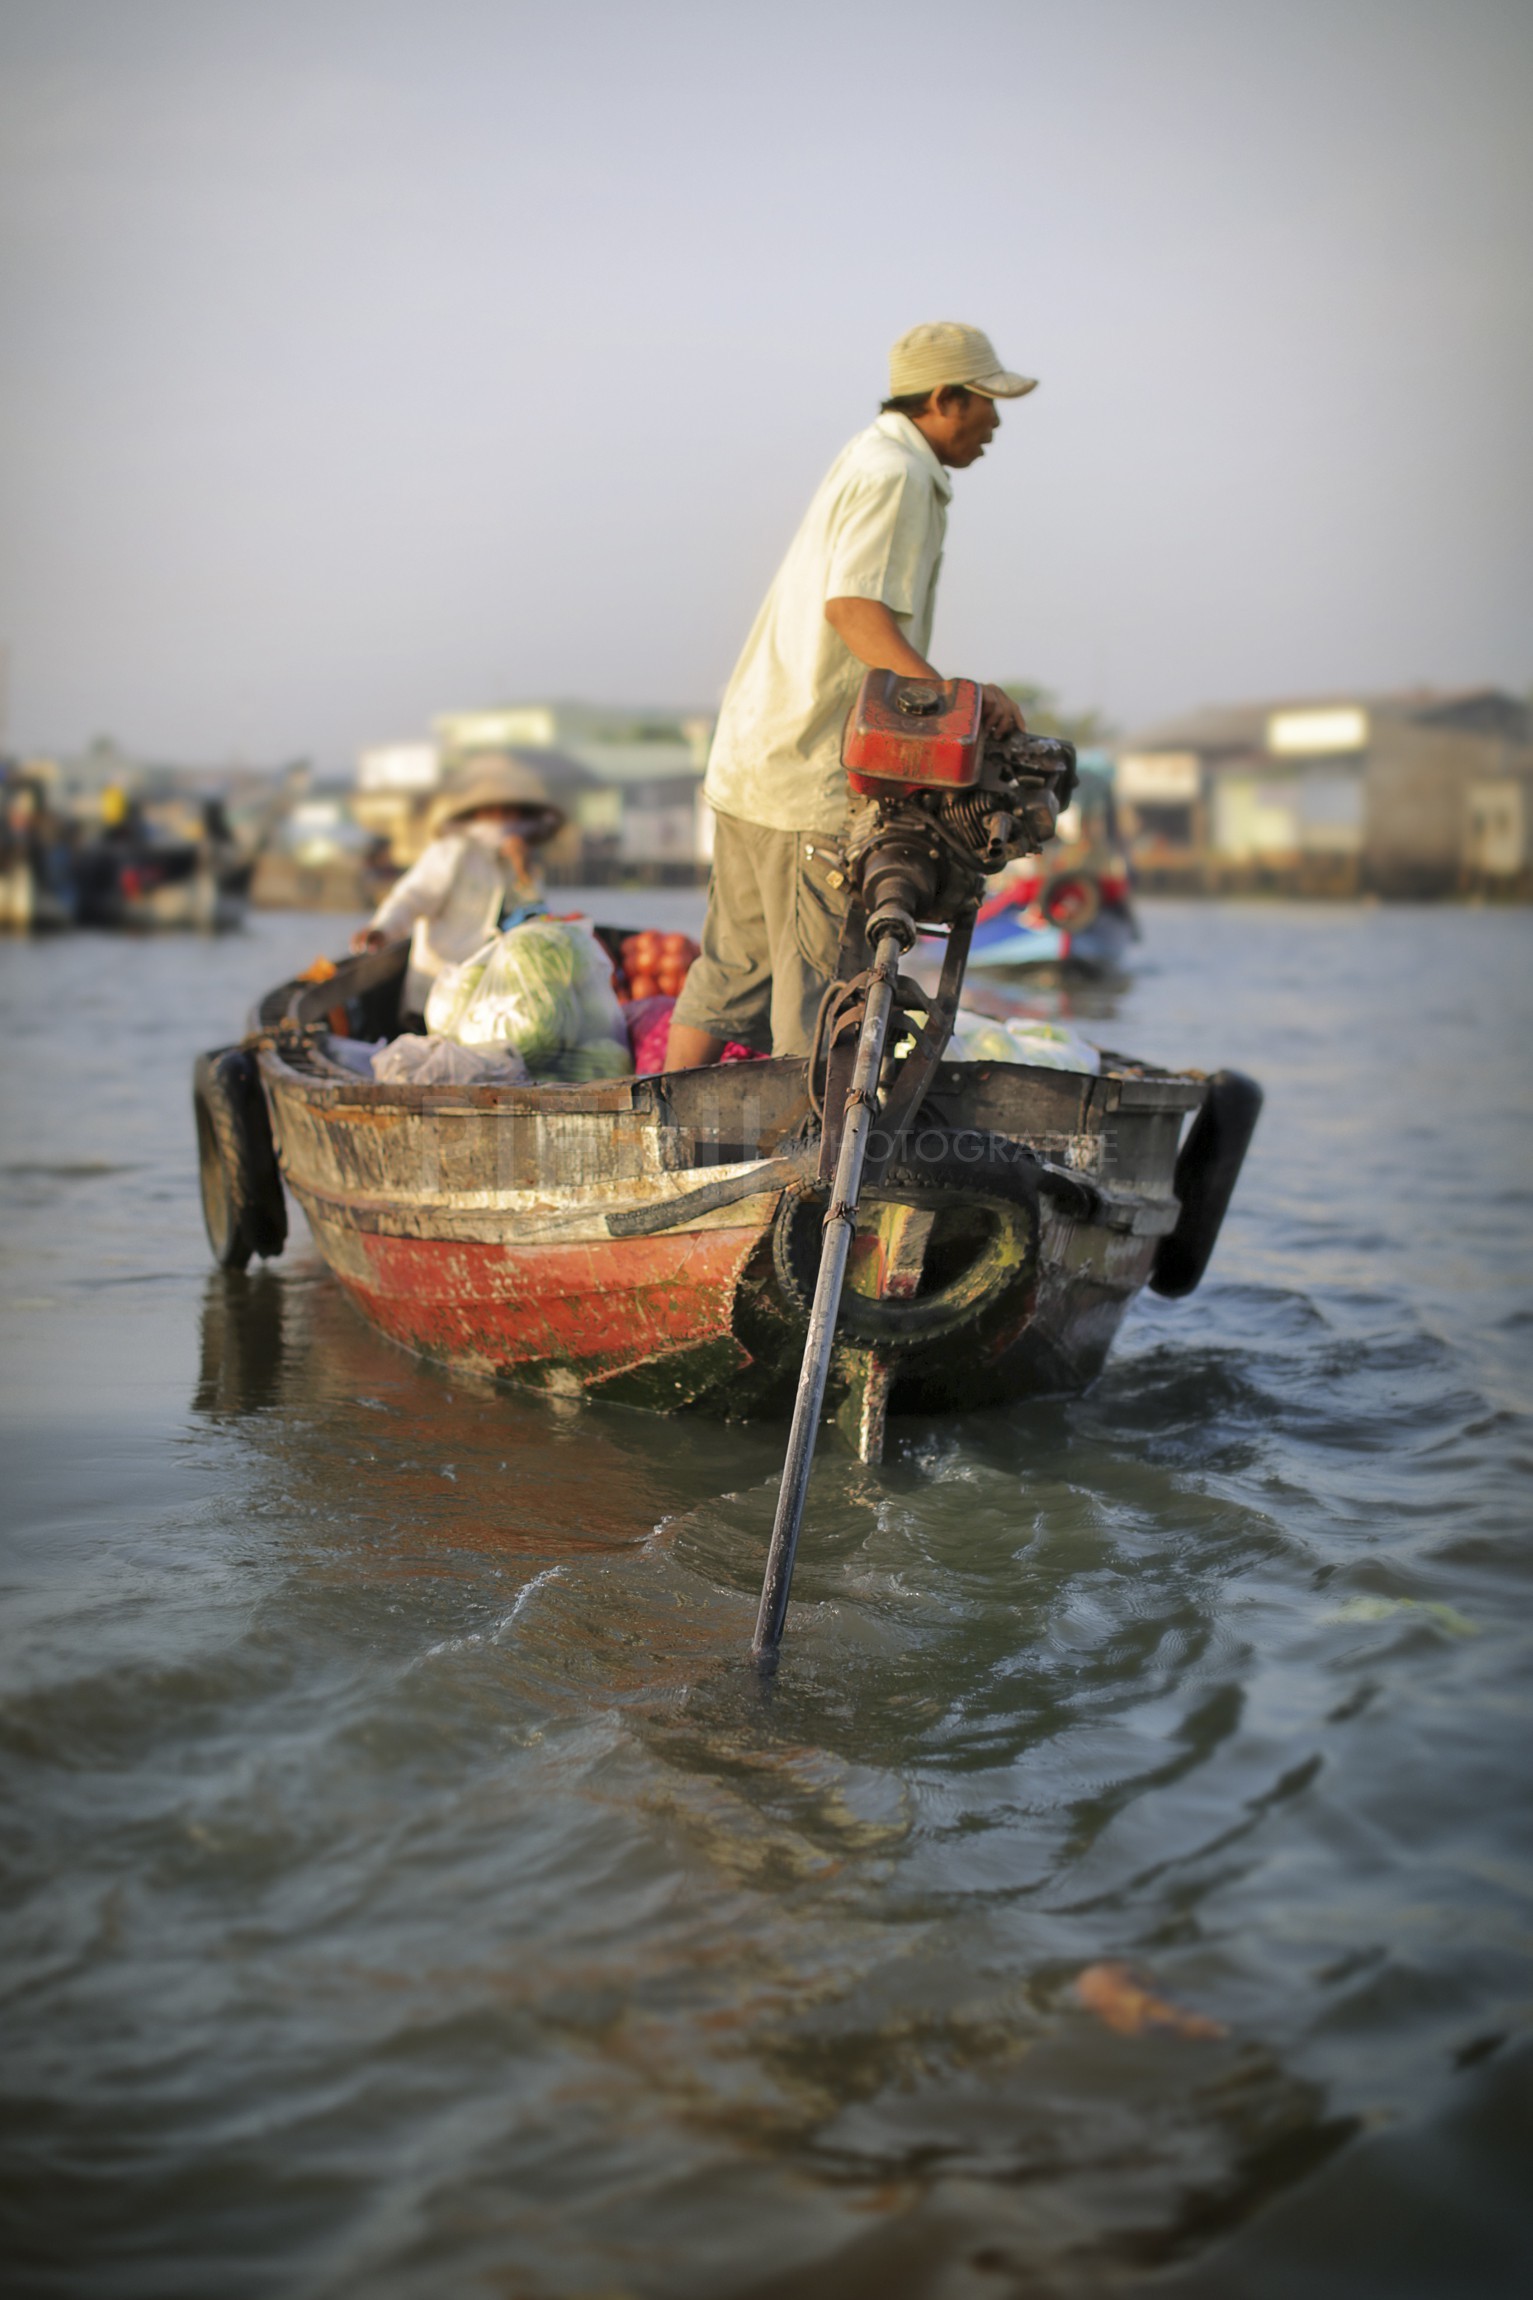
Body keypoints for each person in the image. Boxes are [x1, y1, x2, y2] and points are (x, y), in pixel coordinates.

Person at [666, 321, 1037, 1069]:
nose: (996, 421)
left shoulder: (874, 456)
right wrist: (952, 703)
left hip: (754, 757)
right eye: (986, 402)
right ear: (943, 399)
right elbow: (854, 612)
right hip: (805, 774)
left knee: (733, 975)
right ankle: (803, 1167)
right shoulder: (897, 473)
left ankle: (657, 1140)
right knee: (818, 997)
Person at [351, 756, 565, 1019]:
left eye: (514, 814)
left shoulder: (520, 866)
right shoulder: (453, 853)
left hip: (488, 1003)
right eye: (499, 813)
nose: (507, 820)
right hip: (434, 996)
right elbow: (413, 896)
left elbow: (539, 923)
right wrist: (382, 929)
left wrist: (523, 871)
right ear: (480, 815)